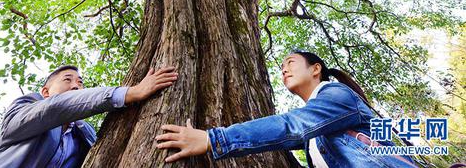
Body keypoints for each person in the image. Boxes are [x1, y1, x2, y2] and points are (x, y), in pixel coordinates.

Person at [156, 51, 417, 167]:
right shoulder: (316, 137)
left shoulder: (336, 94)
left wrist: (213, 139)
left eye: (290, 62)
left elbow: (292, 126)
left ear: (316, 69)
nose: (284, 69)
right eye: (281, 67)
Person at [0, 64, 178, 168]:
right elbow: (54, 108)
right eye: (68, 80)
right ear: (46, 92)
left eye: (80, 83)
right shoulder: (24, 108)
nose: (76, 86)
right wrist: (130, 93)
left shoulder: (84, 134)